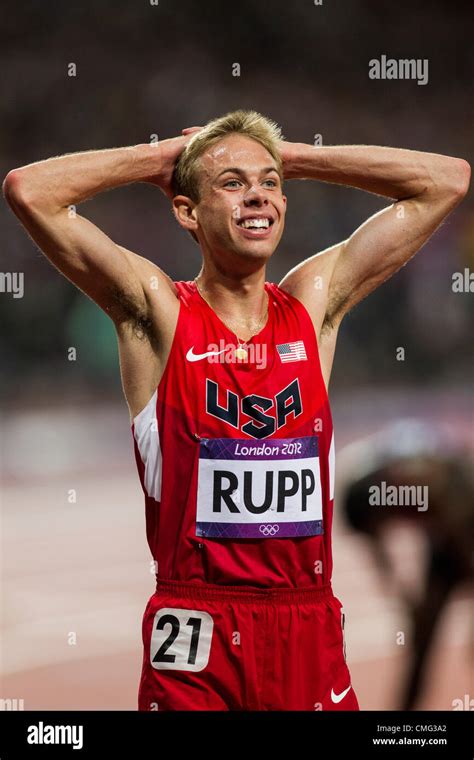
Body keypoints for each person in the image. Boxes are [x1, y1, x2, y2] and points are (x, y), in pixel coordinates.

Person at [3, 110, 470, 711]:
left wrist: (295, 157)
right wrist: (162, 160)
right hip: (197, 637)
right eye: (232, 183)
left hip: (309, 628)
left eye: (270, 183)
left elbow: (447, 180)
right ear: (186, 211)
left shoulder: (312, 305)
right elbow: (28, 191)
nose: (258, 195)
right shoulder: (158, 315)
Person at [338, 420, 474, 710]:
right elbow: (381, 557)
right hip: (446, 536)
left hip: (464, 521)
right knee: (421, 635)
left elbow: (458, 524)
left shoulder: (423, 480)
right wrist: (406, 601)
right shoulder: (368, 505)